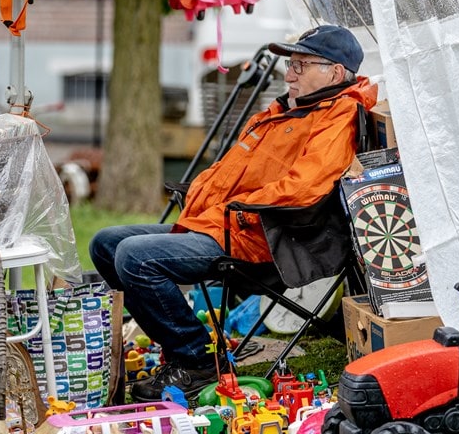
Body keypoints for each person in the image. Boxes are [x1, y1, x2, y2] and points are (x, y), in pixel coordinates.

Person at [89, 25, 378, 402]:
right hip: (221, 224)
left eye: (301, 65)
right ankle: (179, 343)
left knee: (135, 258)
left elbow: (302, 188)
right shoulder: (284, 112)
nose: (289, 73)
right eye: (290, 63)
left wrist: (238, 214)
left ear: (335, 73)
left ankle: (195, 360)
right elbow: (228, 172)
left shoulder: (337, 115)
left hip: (264, 239)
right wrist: (198, 199)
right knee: (106, 244)